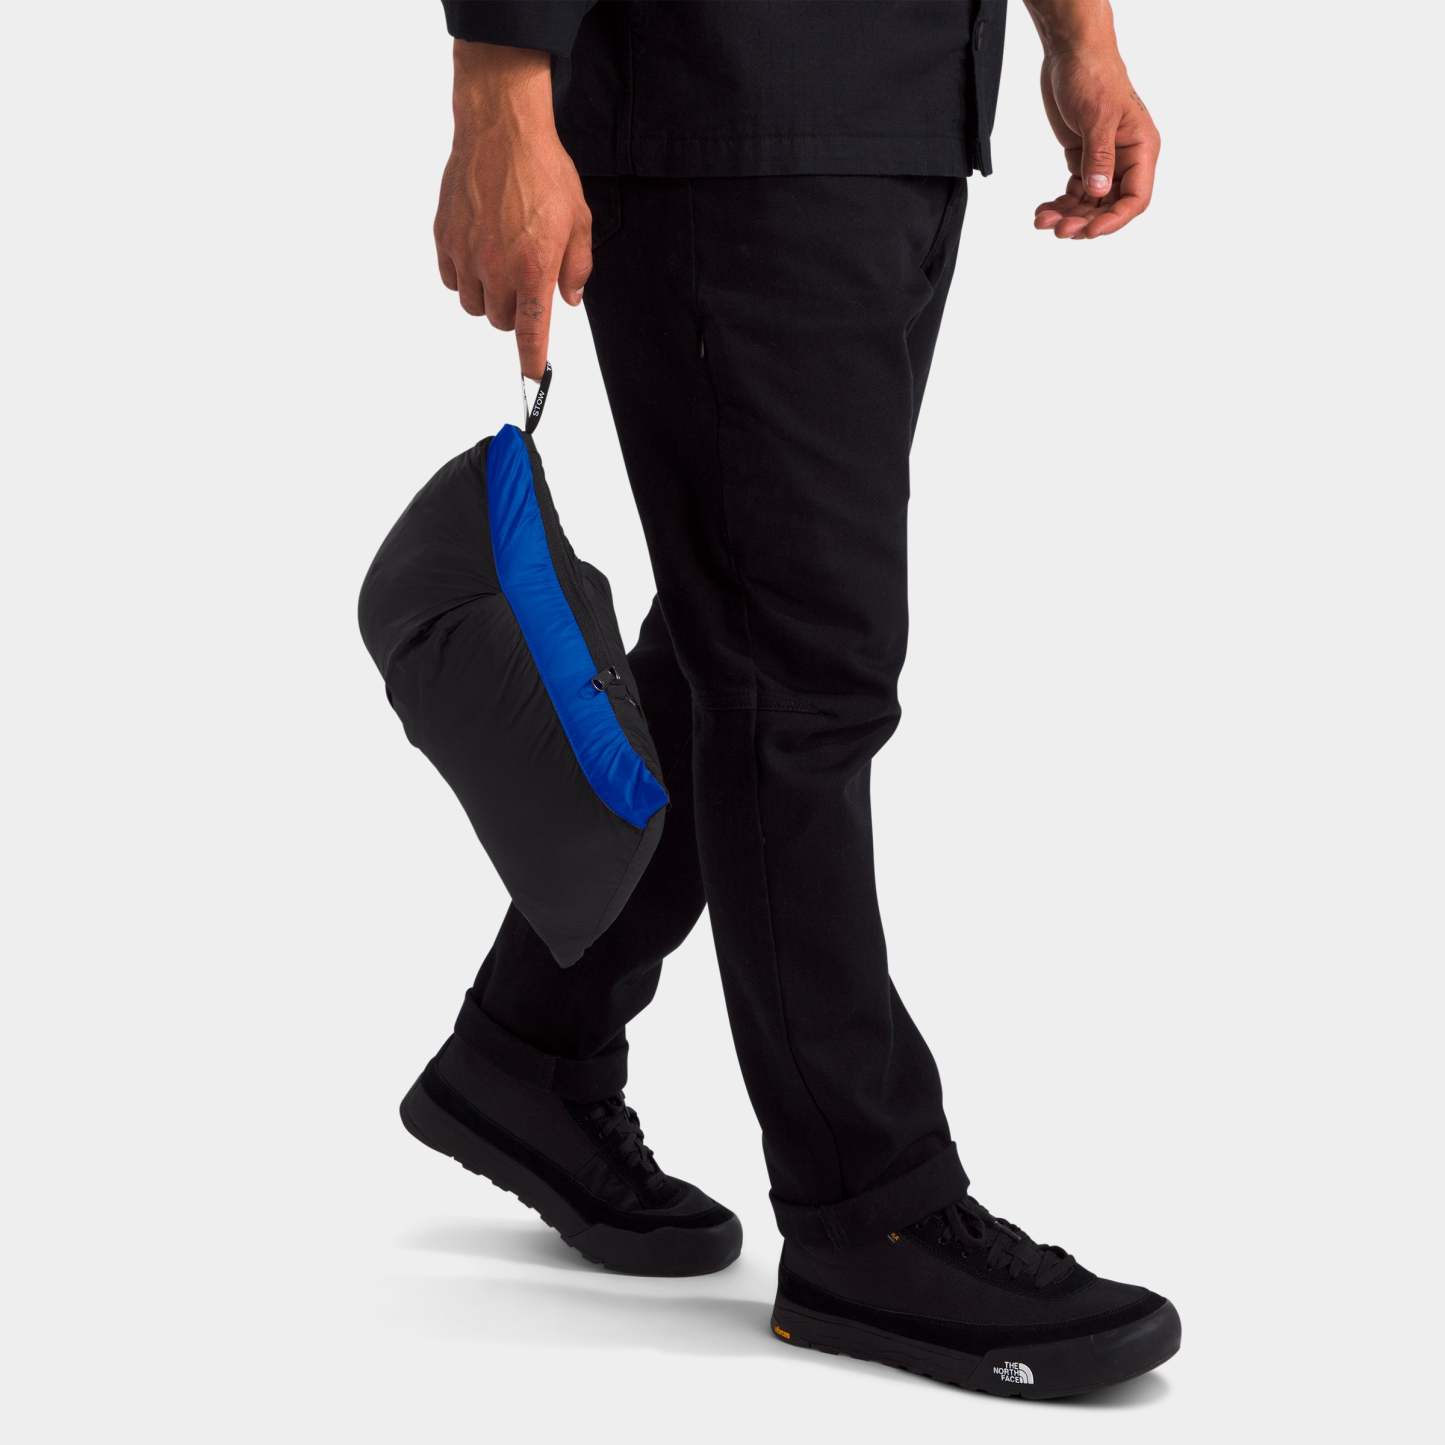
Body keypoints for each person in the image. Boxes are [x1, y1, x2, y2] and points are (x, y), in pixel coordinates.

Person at [406, 0, 1177, 1397]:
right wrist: (499, 97)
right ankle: (868, 1209)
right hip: (728, 94)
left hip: (907, 101)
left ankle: (528, 1048)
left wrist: (1078, 31)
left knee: (748, 633)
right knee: (798, 678)